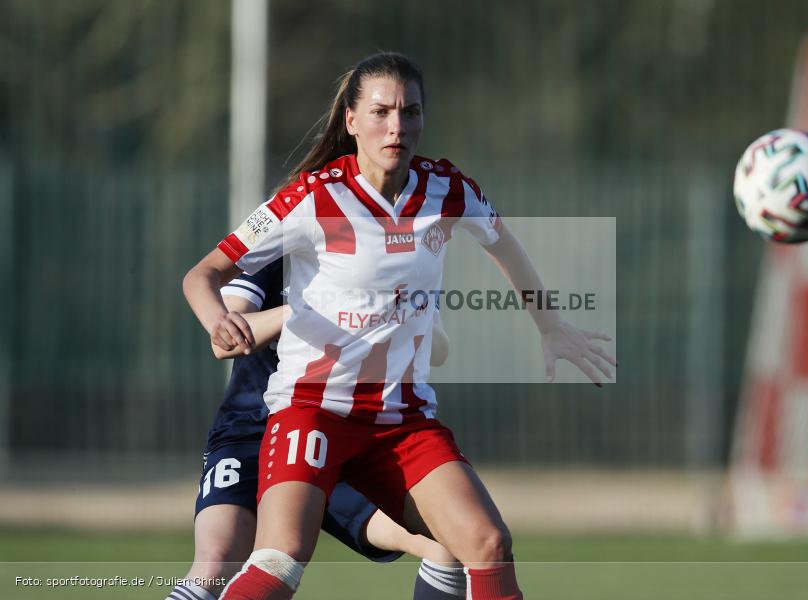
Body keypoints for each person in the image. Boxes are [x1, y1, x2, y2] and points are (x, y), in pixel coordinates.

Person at [183, 52, 615, 600]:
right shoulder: (311, 197)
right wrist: (217, 319)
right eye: (382, 111)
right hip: (313, 410)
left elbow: (505, 244)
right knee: (280, 559)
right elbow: (203, 274)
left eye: (410, 112)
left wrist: (549, 323)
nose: (397, 126)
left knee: (487, 544)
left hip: (402, 422)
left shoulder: (447, 188)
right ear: (351, 120)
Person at [167, 257, 463, 600]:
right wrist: (316, 306)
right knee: (216, 565)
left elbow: (438, 350)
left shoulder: (396, 256)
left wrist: (397, 313)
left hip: (343, 440)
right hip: (252, 432)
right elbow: (224, 342)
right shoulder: (280, 245)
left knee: (449, 545)